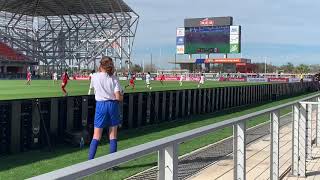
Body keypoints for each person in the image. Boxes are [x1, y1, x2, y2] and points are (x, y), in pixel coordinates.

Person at [87, 56, 123, 160]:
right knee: (113, 136)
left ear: (101, 65)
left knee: (96, 136)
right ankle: (112, 164)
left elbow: (95, 88)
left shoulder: (94, 76)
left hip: (101, 105)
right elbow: (118, 97)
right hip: (112, 105)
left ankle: (89, 163)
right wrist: (122, 94)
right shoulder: (114, 78)